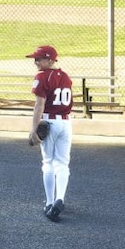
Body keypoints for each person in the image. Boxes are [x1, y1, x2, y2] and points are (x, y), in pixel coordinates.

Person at [26, 43, 74, 222]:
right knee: (62, 163)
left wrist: (34, 128)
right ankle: (60, 198)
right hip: (66, 123)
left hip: (50, 121)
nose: (36, 62)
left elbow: (40, 104)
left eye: (39, 59)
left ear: (49, 59)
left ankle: (50, 202)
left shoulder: (42, 76)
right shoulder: (66, 76)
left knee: (48, 162)